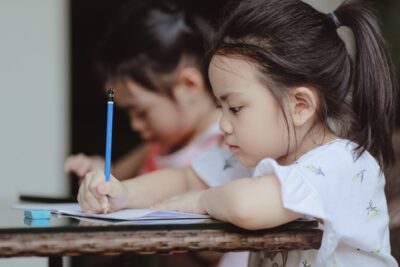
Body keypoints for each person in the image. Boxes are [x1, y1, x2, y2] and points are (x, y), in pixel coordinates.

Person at [77, 0, 399, 266]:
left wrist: (202, 200)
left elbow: (245, 206)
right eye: (219, 106)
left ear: (300, 105)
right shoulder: (255, 159)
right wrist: (122, 193)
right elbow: (183, 179)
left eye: (235, 108)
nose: (223, 125)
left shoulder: (342, 164)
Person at [66, 1, 249, 266]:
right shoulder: (157, 147)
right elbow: (115, 182)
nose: (136, 125)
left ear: (189, 85)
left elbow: (222, 245)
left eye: (140, 112)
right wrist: (97, 177)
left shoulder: (227, 143)